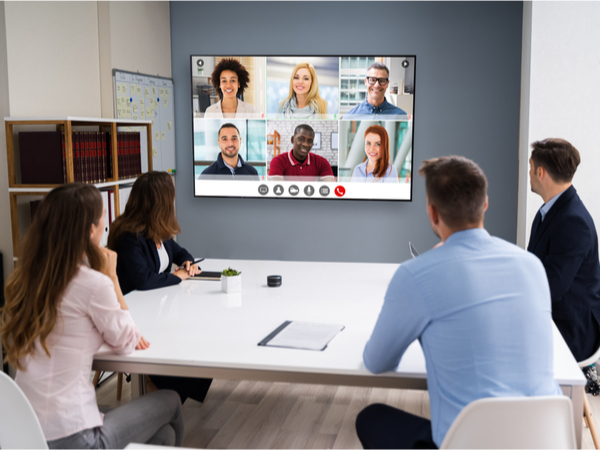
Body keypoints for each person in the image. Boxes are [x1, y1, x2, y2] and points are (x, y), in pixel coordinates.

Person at [356, 156, 561, 449]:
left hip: (472, 442)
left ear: (432, 213)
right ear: (485, 204)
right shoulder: (531, 265)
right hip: (545, 438)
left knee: (371, 418)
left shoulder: (416, 274)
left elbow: (377, 361)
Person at [0, 184, 183, 448]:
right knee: (172, 402)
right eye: (102, 221)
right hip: (74, 438)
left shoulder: (25, 279)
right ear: (90, 231)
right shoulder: (92, 284)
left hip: (25, 431)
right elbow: (126, 342)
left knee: (163, 436)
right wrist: (111, 277)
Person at [107, 171, 212, 405]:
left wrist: (188, 263)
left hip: (158, 307)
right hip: (136, 313)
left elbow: (179, 252)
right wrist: (180, 276)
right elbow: (143, 280)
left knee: (205, 341)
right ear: (160, 201)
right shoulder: (129, 235)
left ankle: (166, 390)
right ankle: (161, 390)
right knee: (192, 343)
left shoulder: (157, 228)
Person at [527, 138, 600, 362]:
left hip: (573, 329)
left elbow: (551, 287)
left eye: (530, 167)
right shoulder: (549, 211)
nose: (528, 173)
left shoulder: (572, 221)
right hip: (555, 315)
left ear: (540, 172)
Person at [268, 124, 334, 181]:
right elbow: (277, 191)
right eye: (301, 139)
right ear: (292, 139)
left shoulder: (322, 162)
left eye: (310, 141)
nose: (305, 144)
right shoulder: (278, 161)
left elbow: (329, 189)